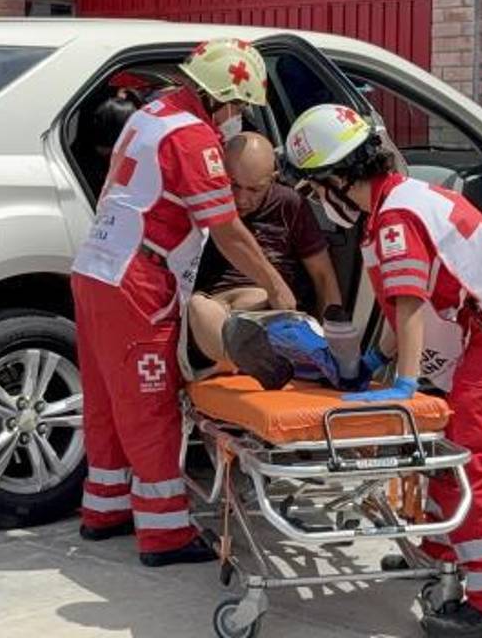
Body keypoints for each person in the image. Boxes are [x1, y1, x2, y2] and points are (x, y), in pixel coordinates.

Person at [283, 104, 482, 638]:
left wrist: (403, 385)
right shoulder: (394, 203)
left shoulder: (394, 218)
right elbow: (400, 306)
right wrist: (377, 362)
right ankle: (435, 546)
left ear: (337, 179)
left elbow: (409, 306)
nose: (316, 205)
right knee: (443, 446)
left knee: (468, 462)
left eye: (313, 191)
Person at [71, 38, 298, 567]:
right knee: (150, 407)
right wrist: (277, 285)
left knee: (107, 399)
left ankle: (104, 508)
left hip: (97, 266)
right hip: (137, 278)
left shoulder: (153, 112)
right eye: (238, 105)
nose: (238, 117)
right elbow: (226, 228)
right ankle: (165, 532)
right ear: (218, 97)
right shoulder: (192, 137)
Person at [189, 131, 342, 365]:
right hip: (217, 313)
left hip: (270, 309)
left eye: (254, 190)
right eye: (233, 186)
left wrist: (336, 340)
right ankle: (243, 361)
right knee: (198, 307)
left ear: (273, 178)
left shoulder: (289, 204)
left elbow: (323, 276)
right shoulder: (206, 201)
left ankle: (254, 358)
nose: (241, 199)